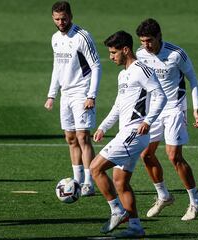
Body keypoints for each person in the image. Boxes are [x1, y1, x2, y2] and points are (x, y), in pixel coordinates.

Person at [90, 30, 167, 238]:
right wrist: (103, 127)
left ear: (126, 50)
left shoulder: (142, 70)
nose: (111, 56)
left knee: (95, 168)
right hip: (125, 132)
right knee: (120, 181)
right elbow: (118, 105)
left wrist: (148, 121)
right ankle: (135, 227)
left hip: (135, 133)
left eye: (114, 52)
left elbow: (161, 96)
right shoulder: (123, 74)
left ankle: (117, 210)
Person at [135, 18, 198, 220]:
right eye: (142, 41)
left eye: (149, 40)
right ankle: (163, 196)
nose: (146, 45)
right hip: (153, 111)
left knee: (173, 156)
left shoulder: (176, 54)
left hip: (175, 108)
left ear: (159, 37)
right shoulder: (140, 55)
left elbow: (193, 80)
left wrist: (196, 109)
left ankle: (195, 202)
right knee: (146, 155)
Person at [44, 1, 101, 196]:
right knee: (70, 138)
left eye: (64, 18)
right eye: (57, 19)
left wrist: (91, 95)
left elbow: (96, 66)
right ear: (53, 18)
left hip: (82, 92)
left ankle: (88, 183)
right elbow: (57, 68)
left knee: (83, 136)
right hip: (66, 94)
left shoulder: (82, 37)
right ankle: (76, 180)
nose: (61, 22)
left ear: (71, 16)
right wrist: (52, 94)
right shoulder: (55, 38)